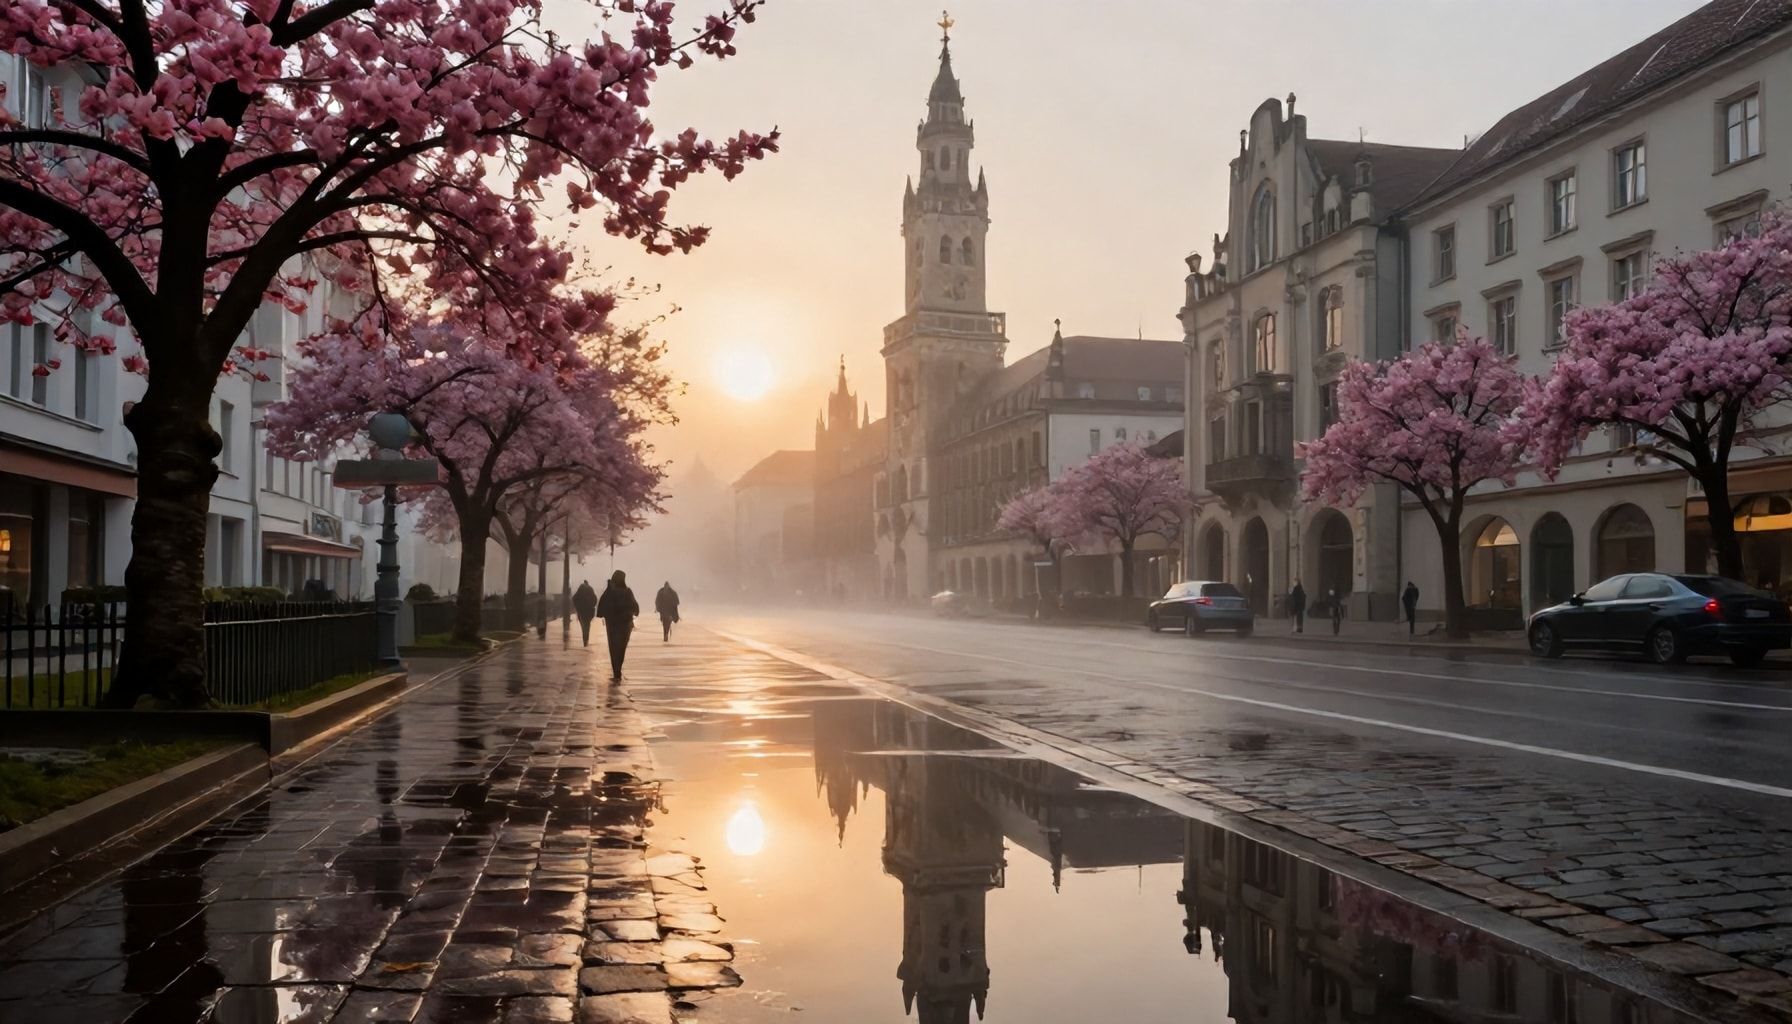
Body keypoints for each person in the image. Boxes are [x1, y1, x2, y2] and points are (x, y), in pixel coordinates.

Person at [595, 570, 639, 680]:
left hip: (612, 625)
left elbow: (602, 604)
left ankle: (616, 671)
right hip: (625, 624)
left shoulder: (610, 591)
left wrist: (601, 614)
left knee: (613, 647)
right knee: (622, 647)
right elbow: (635, 607)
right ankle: (618, 668)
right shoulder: (628, 592)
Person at [572, 580, 598, 646]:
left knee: (583, 626)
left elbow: (574, 599)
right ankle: (586, 639)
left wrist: (577, 606)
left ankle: (585, 639)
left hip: (581, 611)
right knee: (587, 625)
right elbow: (595, 599)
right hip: (589, 611)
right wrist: (592, 605)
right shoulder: (590, 589)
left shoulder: (580, 589)